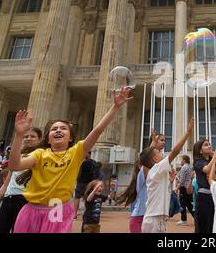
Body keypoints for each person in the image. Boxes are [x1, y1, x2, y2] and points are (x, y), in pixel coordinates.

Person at [8, 87, 131, 233]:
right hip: (32, 208)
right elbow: (15, 165)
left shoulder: (76, 152)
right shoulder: (40, 154)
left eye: (63, 128)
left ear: (70, 137)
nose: (58, 130)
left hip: (57, 208)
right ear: (48, 138)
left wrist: (115, 107)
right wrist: (19, 135)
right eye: (54, 129)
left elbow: (97, 130)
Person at [0, 127, 42, 233]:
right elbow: (6, 185)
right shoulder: (17, 157)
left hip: (25, 202)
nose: (28, 138)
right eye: (26, 136)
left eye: (32, 136)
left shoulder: (42, 157)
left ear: (40, 139)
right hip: (7, 200)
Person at [140, 118, 194, 233]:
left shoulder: (156, 171)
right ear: (155, 159)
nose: (162, 154)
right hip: (154, 220)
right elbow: (174, 152)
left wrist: (169, 181)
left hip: (157, 220)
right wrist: (187, 133)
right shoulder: (156, 168)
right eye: (159, 153)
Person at [116, 159, 148, 233]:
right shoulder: (141, 176)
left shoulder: (151, 181)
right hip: (139, 218)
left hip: (148, 218)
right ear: (141, 166)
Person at [192, 139, 216, 233]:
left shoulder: (211, 160)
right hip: (203, 196)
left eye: (209, 144)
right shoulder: (198, 162)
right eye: (206, 145)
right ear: (200, 150)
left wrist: (214, 156)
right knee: (203, 226)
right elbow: (206, 169)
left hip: (213, 196)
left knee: (211, 225)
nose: (209, 146)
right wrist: (214, 156)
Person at [74, 152, 99, 218]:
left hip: (81, 182)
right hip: (90, 183)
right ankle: (88, 213)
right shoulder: (94, 162)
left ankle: (74, 214)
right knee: (88, 198)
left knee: (77, 197)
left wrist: (76, 179)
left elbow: (77, 172)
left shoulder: (81, 162)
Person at [176, 155, 194, 226]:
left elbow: (182, 180)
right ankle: (196, 217)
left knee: (183, 204)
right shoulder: (190, 167)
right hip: (189, 187)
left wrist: (177, 188)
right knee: (189, 204)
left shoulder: (184, 167)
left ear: (184, 160)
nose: (180, 161)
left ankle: (184, 220)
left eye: (181, 160)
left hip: (183, 188)